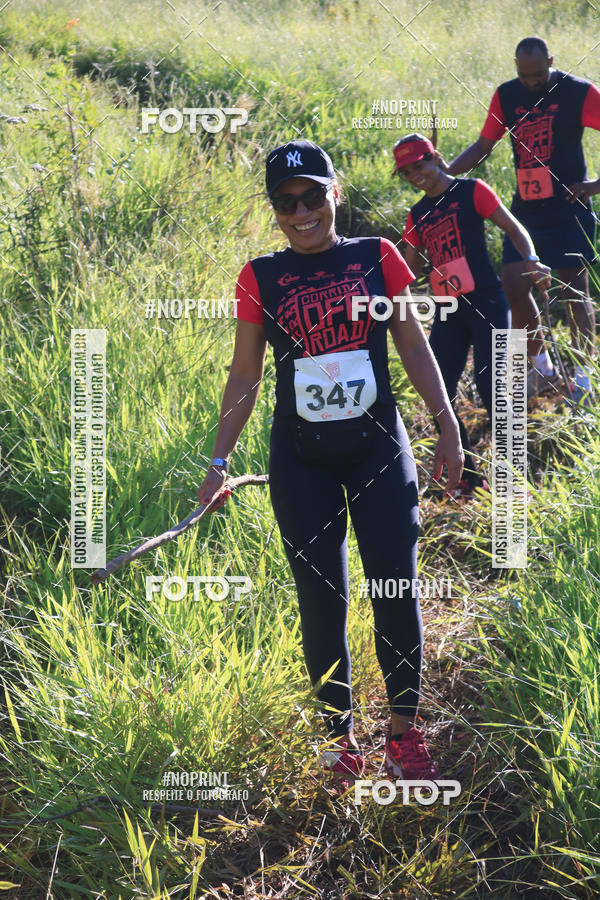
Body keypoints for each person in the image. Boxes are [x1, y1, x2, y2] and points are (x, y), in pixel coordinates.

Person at [196, 139, 463, 789]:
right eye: (286, 202)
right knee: (322, 599)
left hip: (378, 448)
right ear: (275, 208)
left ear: (334, 193)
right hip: (300, 458)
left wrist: (449, 426)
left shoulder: (379, 257)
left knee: (394, 588)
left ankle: (404, 734)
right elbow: (244, 375)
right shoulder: (261, 276)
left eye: (313, 196)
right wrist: (218, 460)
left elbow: (411, 343)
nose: (301, 211)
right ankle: (338, 743)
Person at [393, 133, 551, 499]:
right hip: (448, 310)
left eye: (420, 165)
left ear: (436, 157)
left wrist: (530, 259)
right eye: (407, 172)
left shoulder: (472, 190)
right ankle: (469, 478)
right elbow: (408, 268)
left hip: (488, 301)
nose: (416, 175)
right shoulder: (417, 214)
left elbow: (514, 228)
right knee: (438, 392)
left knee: (493, 386)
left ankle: (515, 476)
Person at [446, 35, 600, 400]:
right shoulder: (506, 95)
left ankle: (582, 377)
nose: (531, 82)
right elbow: (484, 146)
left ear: (551, 60)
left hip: (568, 205)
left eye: (538, 74)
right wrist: (447, 177)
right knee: (514, 286)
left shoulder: (579, 92)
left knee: (574, 290)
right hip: (527, 209)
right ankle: (541, 366)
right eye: (524, 75)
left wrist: (594, 186)